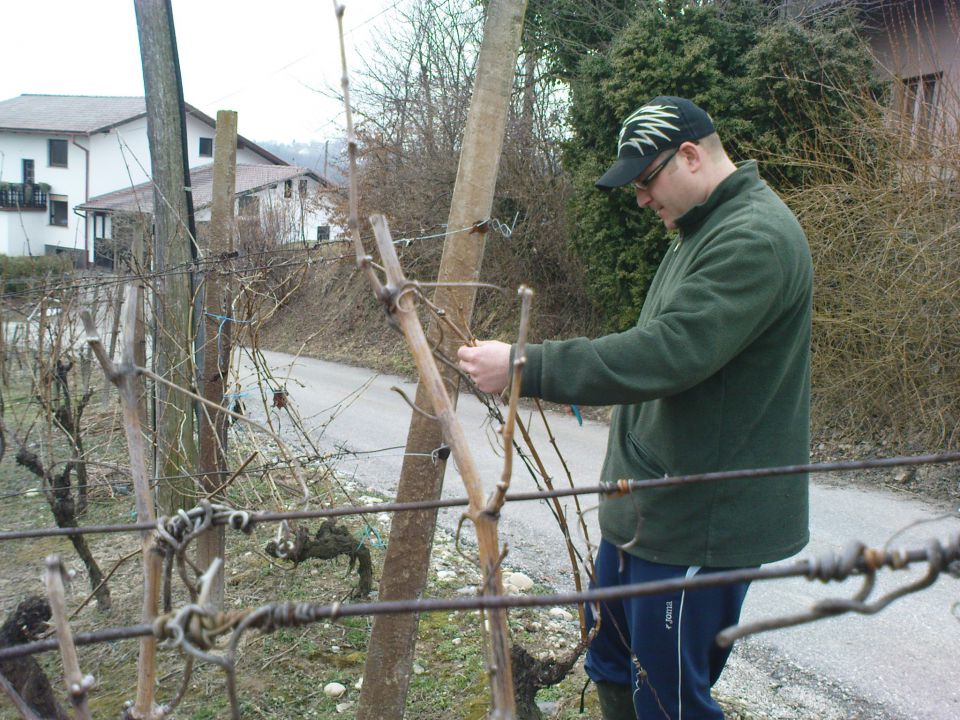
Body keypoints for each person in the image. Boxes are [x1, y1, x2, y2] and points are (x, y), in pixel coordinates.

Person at [458, 96, 812, 719]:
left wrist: (525, 364)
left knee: (669, 697)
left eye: (647, 181)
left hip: (697, 519)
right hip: (646, 508)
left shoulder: (754, 238)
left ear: (691, 156)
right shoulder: (696, 231)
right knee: (612, 664)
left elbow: (665, 353)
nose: (642, 200)